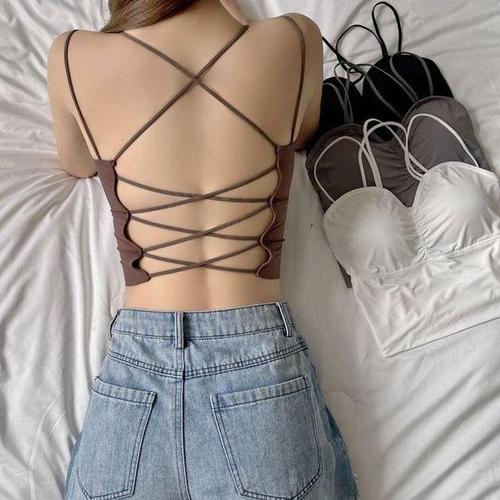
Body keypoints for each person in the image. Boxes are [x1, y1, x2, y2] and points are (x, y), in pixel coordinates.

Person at [47, 0, 359, 498]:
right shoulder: (295, 39)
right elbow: (302, 131)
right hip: (257, 357)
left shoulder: (71, 54)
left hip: (139, 366)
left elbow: (78, 162)